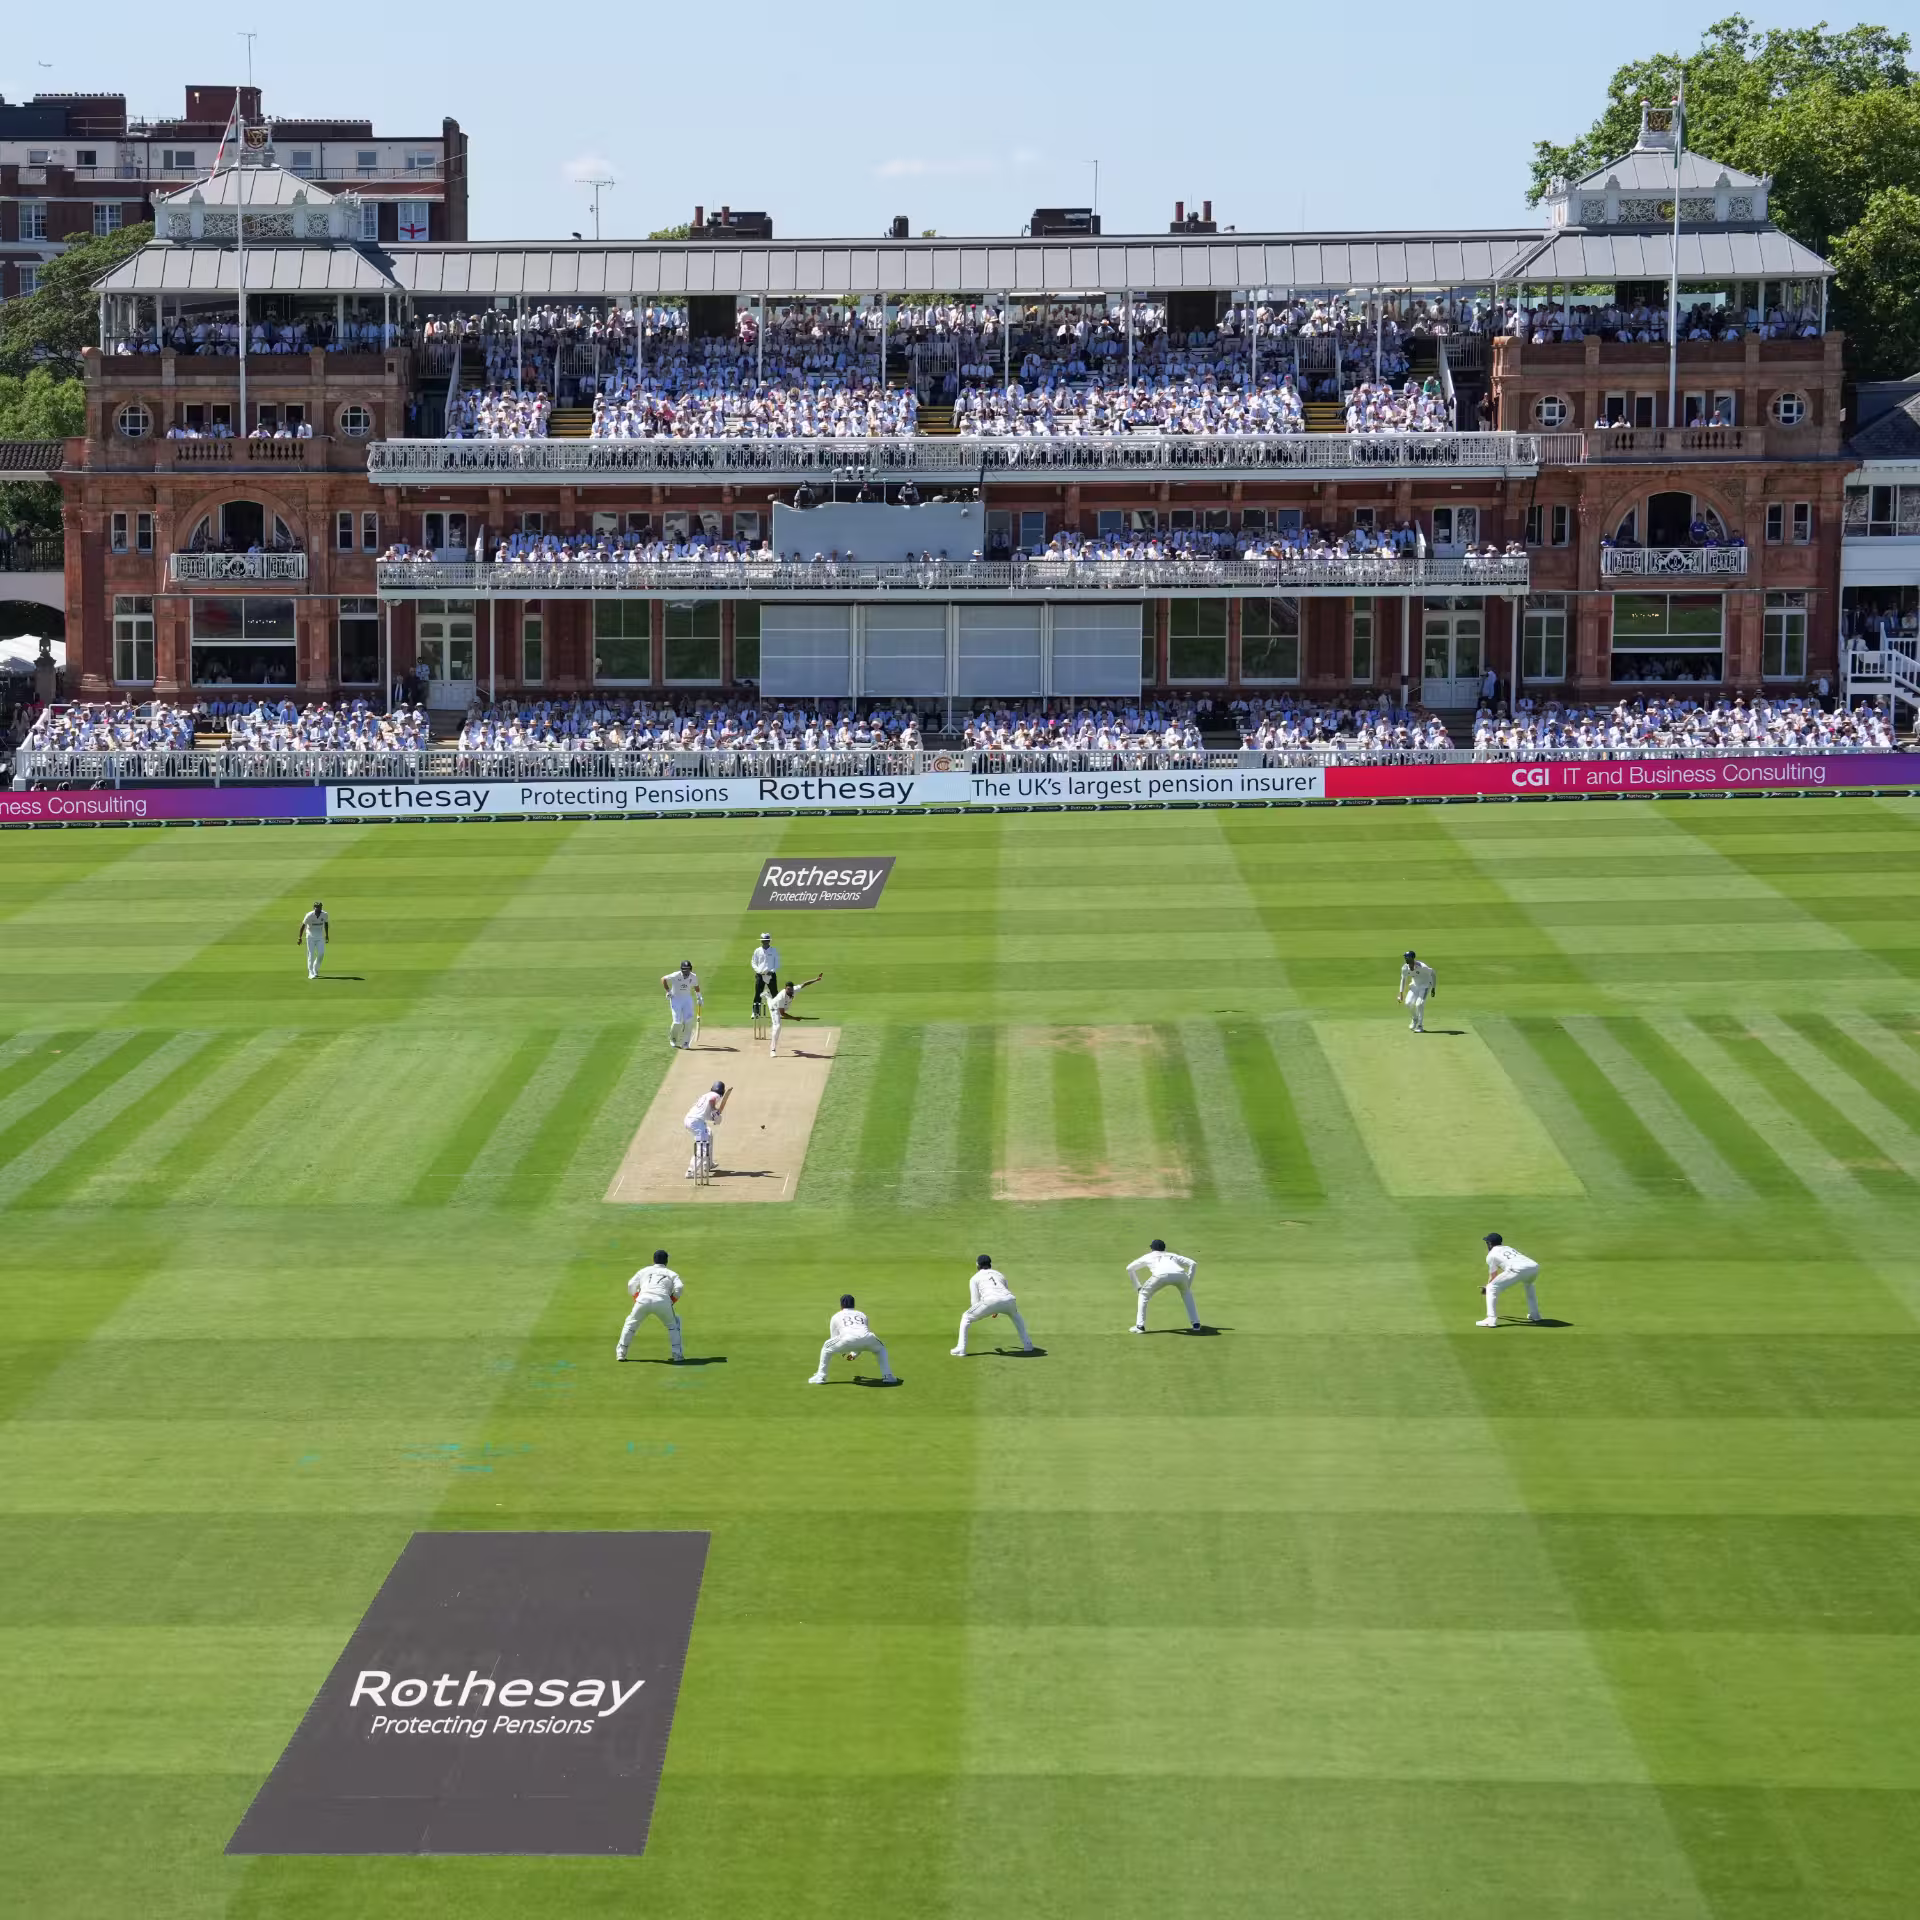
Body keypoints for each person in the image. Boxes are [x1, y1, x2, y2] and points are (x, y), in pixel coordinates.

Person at [952, 1253, 1036, 1357]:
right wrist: (996, 1309)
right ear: (990, 1264)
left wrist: (989, 1310)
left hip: (990, 1301)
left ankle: (961, 1349)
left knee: (966, 1317)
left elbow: (974, 1303)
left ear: (978, 1265)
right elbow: (1004, 1292)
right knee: (1016, 1316)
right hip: (1009, 1299)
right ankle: (1028, 1345)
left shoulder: (974, 1278)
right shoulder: (999, 1274)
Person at [808, 1292, 898, 1384]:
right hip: (868, 1338)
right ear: (853, 1304)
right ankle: (888, 1376)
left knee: (826, 1347)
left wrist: (844, 1354)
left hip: (847, 1339)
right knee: (881, 1348)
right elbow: (862, 1337)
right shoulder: (862, 1314)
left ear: (841, 1305)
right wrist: (853, 1355)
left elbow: (834, 1338)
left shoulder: (836, 1316)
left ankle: (821, 1376)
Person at [616, 1248, 686, 1361]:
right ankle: (677, 1355)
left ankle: (621, 1354)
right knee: (674, 1325)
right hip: (663, 1301)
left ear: (653, 1260)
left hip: (643, 1300)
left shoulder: (644, 1270)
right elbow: (679, 1287)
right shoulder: (672, 1273)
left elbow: (631, 1284)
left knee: (630, 1324)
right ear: (666, 1261)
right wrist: (673, 1299)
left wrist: (636, 1297)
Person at [1125, 1238, 1201, 1332]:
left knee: (1143, 1294)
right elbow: (1193, 1263)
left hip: (1160, 1275)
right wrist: (1188, 1283)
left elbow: (1129, 1268)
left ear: (1152, 1249)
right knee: (1187, 1293)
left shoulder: (1148, 1256)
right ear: (1164, 1248)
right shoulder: (1172, 1255)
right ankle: (1196, 1324)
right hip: (1180, 1275)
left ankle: (1140, 1326)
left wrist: (1138, 1287)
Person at [1480, 1232, 1542, 1327]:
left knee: (1492, 1287)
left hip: (1518, 1269)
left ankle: (1491, 1319)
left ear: (1489, 1244)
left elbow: (1493, 1276)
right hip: (1534, 1267)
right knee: (1529, 1286)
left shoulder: (1491, 1255)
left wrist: (1487, 1287)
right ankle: (1535, 1315)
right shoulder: (1508, 1248)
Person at [765, 971, 824, 1057]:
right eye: (788, 989)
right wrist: (795, 1018)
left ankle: (767, 996)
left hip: (780, 1006)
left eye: (791, 989)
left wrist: (816, 979)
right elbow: (782, 1013)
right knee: (777, 1027)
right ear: (785, 988)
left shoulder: (794, 990)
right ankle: (772, 1050)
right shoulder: (782, 996)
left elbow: (805, 984)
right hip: (775, 1009)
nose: (790, 990)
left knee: (771, 1002)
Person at [685, 1080, 729, 1179]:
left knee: (709, 1134)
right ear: (722, 1092)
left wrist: (715, 1116)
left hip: (690, 1119)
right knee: (703, 1148)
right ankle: (690, 1171)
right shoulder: (715, 1096)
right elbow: (712, 1101)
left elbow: (705, 1113)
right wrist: (714, 1111)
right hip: (696, 1122)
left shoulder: (706, 1095)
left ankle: (708, 1164)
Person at [662, 960, 703, 1049]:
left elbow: (696, 986)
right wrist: (668, 991)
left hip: (687, 999)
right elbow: (663, 979)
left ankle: (685, 1042)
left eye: (688, 969)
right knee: (677, 1022)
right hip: (675, 999)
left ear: (690, 969)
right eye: (684, 970)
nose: (686, 971)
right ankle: (673, 1039)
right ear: (681, 969)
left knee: (688, 1021)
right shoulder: (675, 975)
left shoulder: (693, 976)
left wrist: (699, 997)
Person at [1398, 949, 1437, 1032]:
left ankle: (1420, 1026)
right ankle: (1414, 1019)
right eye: (1405, 957)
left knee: (1419, 1004)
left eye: (1407, 957)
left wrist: (1433, 988)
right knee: (1408, 1003)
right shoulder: (1405, 968)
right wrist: (1401, 993)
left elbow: (1433, 973)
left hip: (1425, 986)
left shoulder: (1422, 967)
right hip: (1415, 985)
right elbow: (1403, 979)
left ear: (1412, 958)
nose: (1406, 959)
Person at [750, 932, 781, 1018]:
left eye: (767, 940)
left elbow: (777, 963)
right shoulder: (757, 951)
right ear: (761, 941)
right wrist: (758, 970)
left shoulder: (774, 950)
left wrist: (772, 971)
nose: (765, 942)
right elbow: (753, 962)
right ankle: (755, 1012)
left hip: (771, 975)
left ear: (769, 941)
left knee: (774, 993)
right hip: (760, 975)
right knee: (758, 994)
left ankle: (777, 1012)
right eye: (764, 940)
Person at [298, 901, 329, 980]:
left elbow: (326, 923)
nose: (318, 908)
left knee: (321, 953)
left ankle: (315, 968)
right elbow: (303, 925)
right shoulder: (309, 915)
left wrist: (327, 935)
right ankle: (310, 973)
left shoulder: (325, 914)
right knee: (311, 955)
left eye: (320, 907)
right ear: (314, 907)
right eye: (317, 907)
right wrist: (300, 937)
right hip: (310, 937)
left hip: (320, 937)